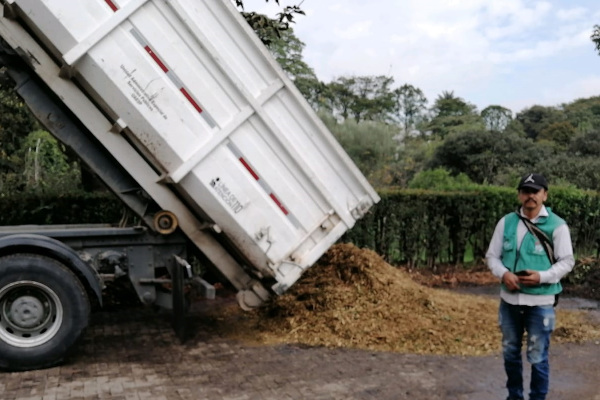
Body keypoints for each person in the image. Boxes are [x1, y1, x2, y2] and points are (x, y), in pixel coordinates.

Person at [485, 173, 574, 400]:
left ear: (544, 194)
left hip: (541, 303)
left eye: (535, 191)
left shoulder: (558, 225)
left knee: (538, 357)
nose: (530, 196)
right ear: (519, 195)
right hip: (510, 301)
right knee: (510, 354)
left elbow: (567, 261)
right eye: (526, 191)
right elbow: (492, 257)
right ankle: (514, 396)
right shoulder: (506, 222)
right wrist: (504, 273)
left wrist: (542, 277)